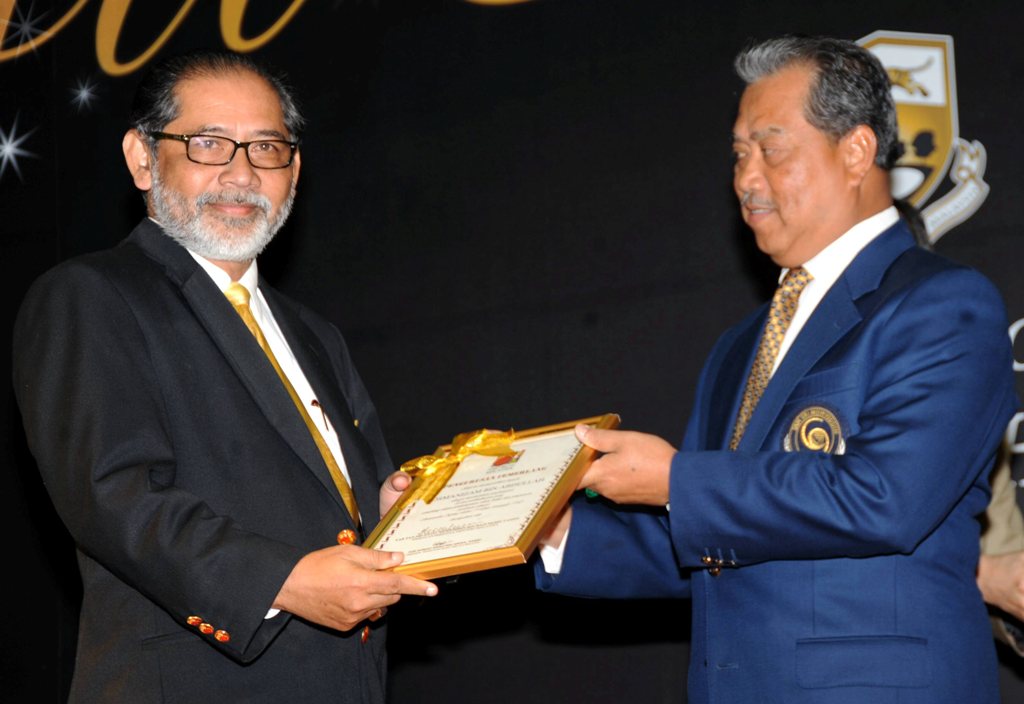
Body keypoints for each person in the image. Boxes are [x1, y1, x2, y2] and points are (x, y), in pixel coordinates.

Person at [536, 36, 1017, 703]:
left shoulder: (942, 303)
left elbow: (888, 498)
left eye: (771, 148)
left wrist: (676, 479)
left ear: (855, 151)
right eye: (738, 153)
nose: (745, 178)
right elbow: (711, 544)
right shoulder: (740, 345)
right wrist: (552, 527)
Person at [13, 50, 436, 703]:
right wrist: (283, 582)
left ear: (293, 169)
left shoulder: (315, 336)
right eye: (209, 144)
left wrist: (395, 513)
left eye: (266, 147)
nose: (241, 174)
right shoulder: (90, 296)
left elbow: (346, 509)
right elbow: (115, 495)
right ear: (142, 158)